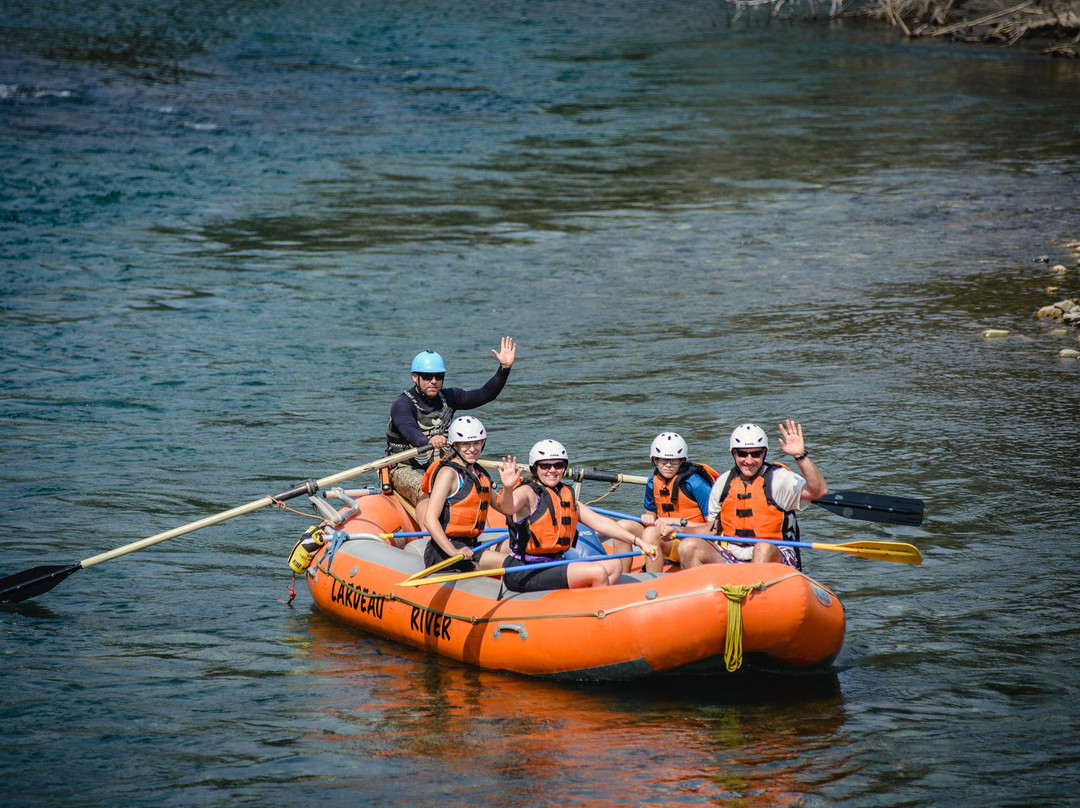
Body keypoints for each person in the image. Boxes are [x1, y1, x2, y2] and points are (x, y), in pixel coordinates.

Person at [495, 440, 657, 591]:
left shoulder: (566, 494)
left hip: (555, 563)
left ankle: (582, 603)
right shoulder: (527, 492)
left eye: (558, 465)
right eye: (545, 466)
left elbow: (601, 523)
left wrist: (640, 542)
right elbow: (508, 507)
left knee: (615, 565)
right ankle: (598, 614)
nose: (552, 470)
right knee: (597, 572)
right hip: (525, 569)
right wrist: (508, 488)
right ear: (534, 468)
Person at [678, 420, 828, 571]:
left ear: (764, 453)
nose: (749, 461)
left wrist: (800, 456)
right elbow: (711, 529)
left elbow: (818, 491)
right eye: (743, 454)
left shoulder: (779, 479)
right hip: (732, 554)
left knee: (761, 548)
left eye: (756, 454)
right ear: (734, 454)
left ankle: (756, 591)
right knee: (688, 546)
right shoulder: (723, 483)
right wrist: (680, 531)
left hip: (775, 553)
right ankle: (705, 592)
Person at [385, 337, 516, 504]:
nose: (433, 381)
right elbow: (410, 432)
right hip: (405, 467)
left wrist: (504, 369)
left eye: (438, 376)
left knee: (479, 483)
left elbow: (485, 394)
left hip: (443, 464)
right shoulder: (402, 404)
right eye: (427, 377)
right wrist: (428, 440)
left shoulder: (450, 396)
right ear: (414, 377)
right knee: (427, 492)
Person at [609, 432, 717, 573]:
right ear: (655, 459)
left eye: (674, 461)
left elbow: (714, 528)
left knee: (650, 534)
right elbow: (652, 517)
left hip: (694, 542)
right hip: (668, 539)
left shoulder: (696, 484)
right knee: (622, 526)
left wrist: (677, 522)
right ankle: (622, 577)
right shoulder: (652, 483)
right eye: (663, 460)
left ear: (682, 460)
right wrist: (649, 518)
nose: (668, 465)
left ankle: (653, 582)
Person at [416, 416, 508, 574]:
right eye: (466, 444)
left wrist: (509, 487)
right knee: (512, 562)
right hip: (445, 553)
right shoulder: (448, 474)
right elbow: (430, 520)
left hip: (472, 545)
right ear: (455, 445)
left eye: (477, 443)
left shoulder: (478, 473)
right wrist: (453, 551)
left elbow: (503, 507)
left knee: (521, 544)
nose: (472, 449)